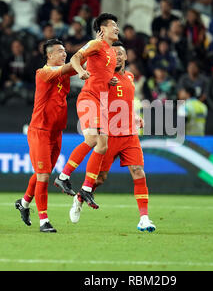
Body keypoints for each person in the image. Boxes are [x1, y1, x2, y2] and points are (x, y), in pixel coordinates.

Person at [68, 41, 156, 232]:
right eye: (113, 53)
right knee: (99, 179)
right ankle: (79, 198)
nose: (116, 56)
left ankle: (144, 218)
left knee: (138, 171)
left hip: (129, 134)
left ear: (125, 57)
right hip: (109, 133)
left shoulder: (131, 77)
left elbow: (125, 102)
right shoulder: (104, 77)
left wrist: (134, 117)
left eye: (120, 54)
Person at [53, 13, 119, 209]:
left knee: (103, 145)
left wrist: (110, 80)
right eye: (112, 25)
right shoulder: (96, 44)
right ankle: (63, 177)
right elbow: (75, 58)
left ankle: (86, 189)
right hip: (89, 98)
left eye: (117, 25)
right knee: (92, 140)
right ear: (102, 30)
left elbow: (101, 73)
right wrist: (80, 71)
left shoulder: (112, 52)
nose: (116, 28)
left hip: (103, 102)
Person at [14, 39, 80, 233]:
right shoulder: (42, 73)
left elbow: (80, 64)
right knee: (43, 175)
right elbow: (74, 64)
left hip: (56, 132)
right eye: (60, 51)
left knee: (43, 173)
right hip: (40, 131)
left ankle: (24, 203)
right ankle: (44, 220)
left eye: (65, 51)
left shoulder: (64, 72)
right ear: (49, 55)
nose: (64, 53)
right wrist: (92, 45)